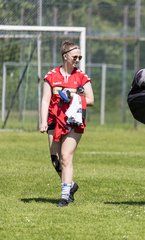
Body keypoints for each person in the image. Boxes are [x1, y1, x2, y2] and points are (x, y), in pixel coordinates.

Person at [39, 40, 94, 207]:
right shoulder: (51, 76)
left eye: (80, 57)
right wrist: (42, 122)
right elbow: (45, 100)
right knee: (55, 160)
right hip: (54, 121)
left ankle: (64, 195)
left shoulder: (82, 77)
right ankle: (71, 184)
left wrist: (74, 97)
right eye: (75, 56)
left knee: (66, 156)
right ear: (65, 56)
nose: (78, 59)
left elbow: (91, 100)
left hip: (73, 122)